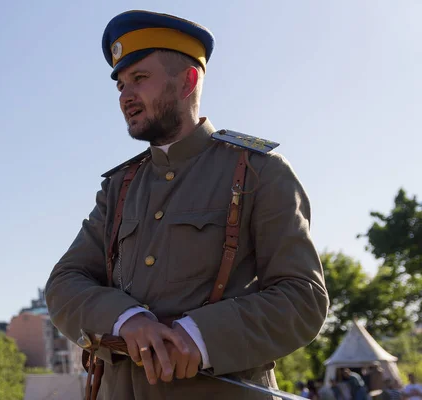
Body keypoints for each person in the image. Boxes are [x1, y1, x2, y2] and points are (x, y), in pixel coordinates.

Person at [45, 9, 329, 399]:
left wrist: (200, 336)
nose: (126, 96)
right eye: (121, 85)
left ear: (188, 81)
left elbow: (303, 298)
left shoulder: (258, 170)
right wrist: (127, 318)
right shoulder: (119, 187)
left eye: (140, 79)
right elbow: (64, 283)